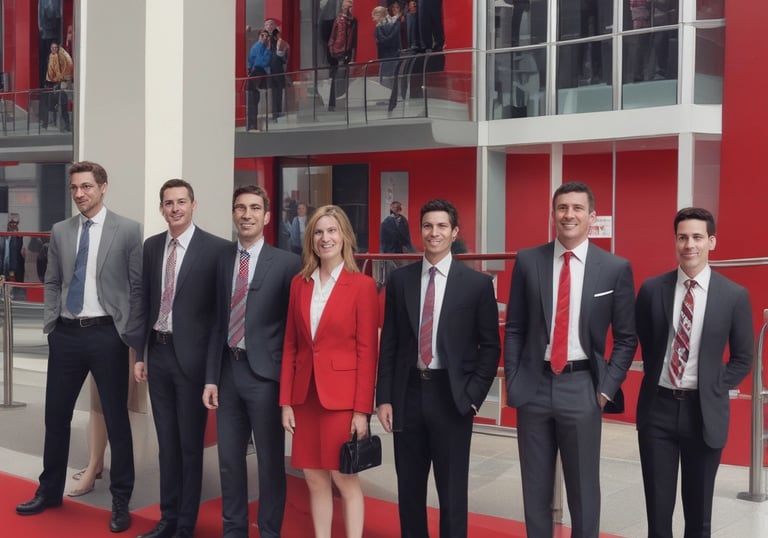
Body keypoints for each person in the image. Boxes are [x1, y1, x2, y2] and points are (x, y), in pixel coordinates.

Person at [16, 160, 144, 534]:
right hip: (67, 335)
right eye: (75, 188)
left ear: (103, 187)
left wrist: (129, 336)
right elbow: (52, 280)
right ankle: (49, 491)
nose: (79, 194)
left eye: (86, 187)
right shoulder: (60, 230)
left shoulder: (128, 231)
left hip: (108, 336)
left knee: (117, 423)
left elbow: (137, 289)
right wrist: (52, 325)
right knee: (55, 417)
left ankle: (121, 500)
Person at [504, 181, 637, 538]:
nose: (569, 215)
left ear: (592, 217)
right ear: (553, 214)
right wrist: (515, 382)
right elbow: (514, 327)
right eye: (562, 208)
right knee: (534, 490)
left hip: (583, 388)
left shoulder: (614, 268)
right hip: (533, 386)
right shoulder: (529, 260)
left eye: (577, 208)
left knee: (583, 491)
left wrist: (606, 389)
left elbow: (626, 338)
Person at [376, 199, 500, 538]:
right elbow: (389, 344)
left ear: (454, 232)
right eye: (428, 226)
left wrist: (473, 397)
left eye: (442, 226)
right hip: (408, 394)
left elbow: (490, 347)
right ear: (420, 231)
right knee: (410, 494)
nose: (434, 233)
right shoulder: (400, 281)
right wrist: (383, 397)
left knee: (452, 494)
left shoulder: (476, 284)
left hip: (452, 397)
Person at [635, 207, 753, 538]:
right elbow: (645, 341)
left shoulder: (733, 296)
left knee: (699, 516)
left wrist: (713, 387)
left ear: (711, 242)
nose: (690, 245)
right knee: (658, 514)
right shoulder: (651, 290)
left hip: (703, 415)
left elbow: (744, 358)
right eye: (683, 237)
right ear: (675, 241)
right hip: (657, 410)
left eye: (698, 237)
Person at [203, 185, 301, 538]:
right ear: (233, 214)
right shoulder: (220, 259)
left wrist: (289, 386)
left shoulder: (288, 263)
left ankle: (270, 532)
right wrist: (210, 378)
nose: (247, 214)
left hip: (266, 377)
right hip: (227, 373)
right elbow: (216, 320)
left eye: (255, 208)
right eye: (241, 208)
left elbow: (294, 329)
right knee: (229, 462)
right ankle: (234, 532)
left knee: (271, 463)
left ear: (267, 216)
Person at [135, 179, 228, 538]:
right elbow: (145, 302)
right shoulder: (152, 246)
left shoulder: (216, 250)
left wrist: (211, 373)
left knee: (190, 446)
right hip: (157, 354)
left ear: (194, 205)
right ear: (161, 208)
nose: (175, 208)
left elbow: (219, 318)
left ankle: (185, 525)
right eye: (168, 203)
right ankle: (167, 518)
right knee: (166, 446)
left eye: (181, 202)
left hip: (192, 362)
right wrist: (140, 354)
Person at [280, 205, 378, 538]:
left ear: (345, 236)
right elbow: (291, 345)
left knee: (345, 478)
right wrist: (286, 402)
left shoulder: (362, 286)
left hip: (342, 401)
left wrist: (362, 411)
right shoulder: (299, 284)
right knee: (314, 478)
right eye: (319, 232)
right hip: (305, 397)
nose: (326, 238)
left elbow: (368, 353)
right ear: (311, 239)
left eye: (332, 231)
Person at [327, 0, 357, 112]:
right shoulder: (338, 20)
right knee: (338, 77)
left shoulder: (352, 21)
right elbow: (333, 35)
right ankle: (335, 103)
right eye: (347, 7)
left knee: (343, 76)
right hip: (337, 51)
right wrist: (332, 48)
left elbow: (353, 39)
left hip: (346, 51)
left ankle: (337, 102)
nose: (348, 9)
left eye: (350, 7)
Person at [40, 41, 72, 131]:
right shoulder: (50, 58)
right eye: (52, 47)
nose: (54, 49)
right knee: (49, 105)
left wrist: (60, 84)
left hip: (61, 86)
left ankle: (67, 125)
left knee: (64, 106)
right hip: (52, 86)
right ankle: (48, 123)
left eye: (56, 47)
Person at [246, 30, 272, 131]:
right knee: (253, 100)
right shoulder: (258, 47)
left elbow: (263, 61)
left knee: (256, 100)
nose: (265, 38)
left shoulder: (263, 47)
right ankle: (252, 125)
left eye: (267, 36)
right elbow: (260, 62)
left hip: (258, 74)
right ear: (259, 37)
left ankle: (254, 124)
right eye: (262, 36)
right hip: (256, 73)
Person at [372, 6, 400, 89]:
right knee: (394, 82)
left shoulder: (378, 28)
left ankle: (386, 100)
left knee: (385, 83)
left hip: (385, 59)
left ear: (379, 15)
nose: (373, 19)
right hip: (395, 57)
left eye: (374, 16)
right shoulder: (396, 24)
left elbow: (384, 41)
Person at [269, 26, 291, 121]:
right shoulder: (274, 46)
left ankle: (277, 112)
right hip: (276, 73)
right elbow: (282, 57)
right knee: (276, 93)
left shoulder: (275, 46)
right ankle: (276, 113)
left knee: (278, 93)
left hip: (277, 73)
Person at [1, 215, 26, 290]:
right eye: (11, 222)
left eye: (15, 223)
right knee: (2, 287)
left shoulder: (19, 237)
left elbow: (21, 254)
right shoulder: (3, 236)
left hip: (13, 269)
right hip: (2, 268)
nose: (13, 224)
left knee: (13, 288)